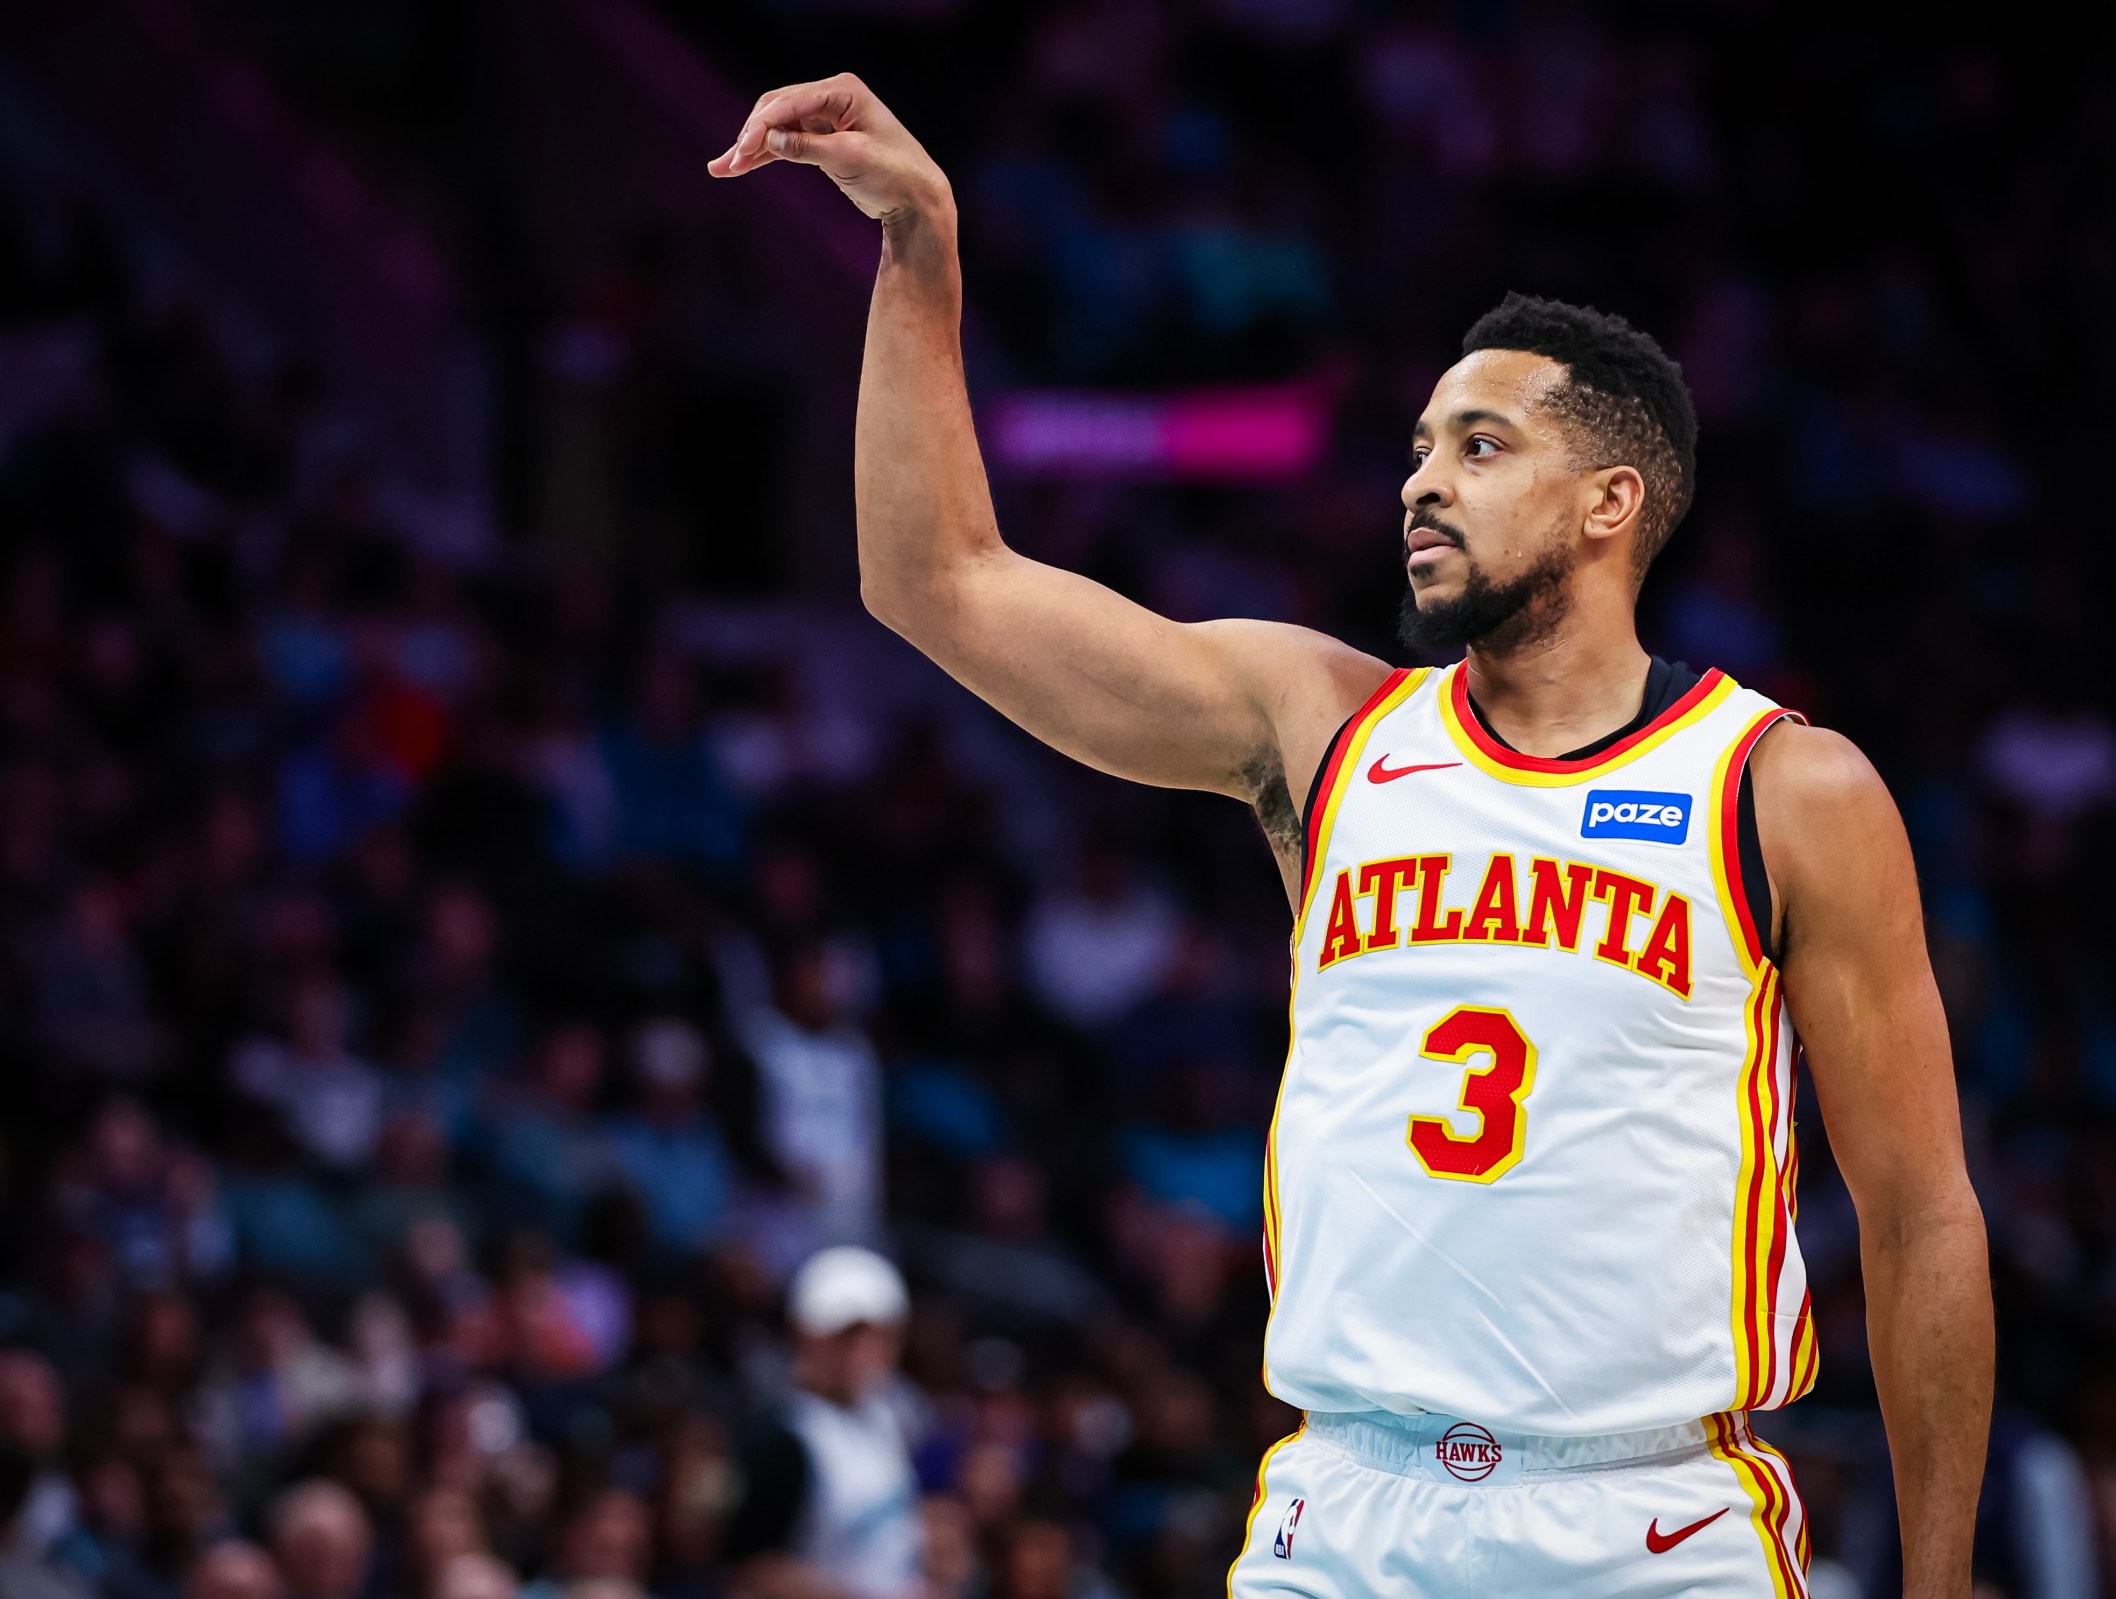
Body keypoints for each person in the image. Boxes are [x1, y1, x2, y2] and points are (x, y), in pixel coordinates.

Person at [710, 75, 1993, 1599]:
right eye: (1419, 446)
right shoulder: (1324, 724)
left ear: (1609, 501)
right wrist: (921, 244)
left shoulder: (1785, 787)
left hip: (1648, 1521)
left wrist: (1940, 1581)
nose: (1421, 480)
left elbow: (1919, 1216)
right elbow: (937, 581)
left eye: (1480, 445)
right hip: (1349, 1506)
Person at [725, 1248, 923, 1599]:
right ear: (806, 1336)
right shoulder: (784, 1438)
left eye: (876, 1336)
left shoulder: (887, 1420)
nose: (860, 1352)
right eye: (844, 1337)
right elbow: (749, 1572)